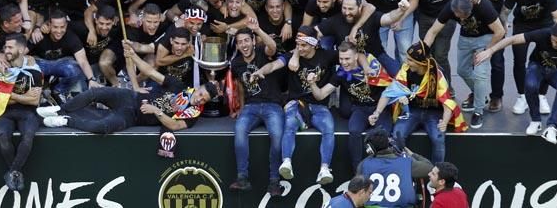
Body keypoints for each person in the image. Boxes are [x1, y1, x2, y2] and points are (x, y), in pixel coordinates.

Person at [39, 40, 215, 133]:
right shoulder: (179, 86)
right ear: (198, 88)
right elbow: (151, 72)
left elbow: (175, 126)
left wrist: (156, 111)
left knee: (102, 128)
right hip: (130, 97)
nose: (199, 98)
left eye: (203, 99)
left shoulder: (193, 115)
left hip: (132, 116)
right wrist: (132, 55)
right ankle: (59, 109)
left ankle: (65, 120)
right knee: (94, 93)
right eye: (201, 93)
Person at [475, 22, 557, 144]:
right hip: (537, 67)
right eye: (553, 40)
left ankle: (551, 127)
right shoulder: (544, 34)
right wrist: (490, 50)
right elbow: (513, 39)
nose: (554, 44)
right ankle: (536, 121)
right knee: (530, 84)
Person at [377, 41, 467, 164]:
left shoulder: (437, 76)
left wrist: (444, 122)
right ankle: (398, 168)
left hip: (434, 114)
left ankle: (437, 172)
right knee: (398, 134)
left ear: (421, 63)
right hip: (412, 112)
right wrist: (377, 113)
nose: (407, 62)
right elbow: (389, 93)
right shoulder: (405, 71)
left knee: (438, 138)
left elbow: (447, 102)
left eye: (410, 60)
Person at [309, 42, 392, 172]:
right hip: (360, 109)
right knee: (354, 131)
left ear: (355, 57)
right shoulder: (341, 73)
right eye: (341, 59)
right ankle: (357, 171)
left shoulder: (372, 67)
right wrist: (312, 84)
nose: (344, 62)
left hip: (380, 108)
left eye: (347, 58)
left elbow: (389, 92)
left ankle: (382, 171)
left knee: (383, 134)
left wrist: (377, 112)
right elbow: (320, 95)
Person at [424, 0, 504, 129]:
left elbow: (500, 31)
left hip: (486, 38)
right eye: (457, 16)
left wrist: (487, 51)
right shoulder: (451, 7)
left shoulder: (483, 6)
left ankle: (478, 111)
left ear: (471, 9)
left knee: (480, 74)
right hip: (466, 38)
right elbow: (433, 31)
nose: (460, 18)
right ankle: (480, 95)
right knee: (462, 70)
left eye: (462, 16)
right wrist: (422, 49)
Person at [451, 0, 505, 112]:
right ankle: (478, 92)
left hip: (493, 17)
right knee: (468, 66)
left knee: (495, 59)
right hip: (472, 14)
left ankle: (496, 97)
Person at [228, 25, 285, 197]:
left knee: (277, 137)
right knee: (239, 131)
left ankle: (274, 181)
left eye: (246, 40)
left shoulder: (262, 51)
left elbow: (273, 47)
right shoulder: (236, 63)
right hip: (251, 107)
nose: (244, 45)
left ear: (253, 41)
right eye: (240, 42)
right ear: (236, 46)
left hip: (272, 105)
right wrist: (240, 107)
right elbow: (240, 87)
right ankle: (242, 178)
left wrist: (258, 30)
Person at [502, 0, 557, 115]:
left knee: (546, 60)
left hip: (545, 26)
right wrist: (504, 25)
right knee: (519, 60)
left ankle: (541, 96)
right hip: (522, 25)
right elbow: (504, 12)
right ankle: (522, 96)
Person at [282, 26, 339, 183]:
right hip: (297, 103)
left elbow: (350, 54)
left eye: (304, 45)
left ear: (314, 44)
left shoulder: (326, 56)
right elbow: (274, 65)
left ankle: (325, 168)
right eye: (298, 45)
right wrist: (294, 55)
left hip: (319, 105)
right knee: (289, 125)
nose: (300, 48)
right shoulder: (293, 56)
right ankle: (286, 161)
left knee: (329, 128)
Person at [0, 34, 43, 191]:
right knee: (4, 139)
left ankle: (12, 172)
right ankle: (16, 173)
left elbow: (34, 100)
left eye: (10, 47)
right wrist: (23, 97)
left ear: (21, 49)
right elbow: (0, 99)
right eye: (5, 47)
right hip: (5, 111)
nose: (6, 50)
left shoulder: (34, 70)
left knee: (27, 138)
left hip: (29, 112)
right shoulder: (0, 70)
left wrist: (10, 95)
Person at [316, 0, 410, 77]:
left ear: (360, 7)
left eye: (351, 9)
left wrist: (401, 10)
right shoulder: (335, 21)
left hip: (376, 56)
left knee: (400, 75)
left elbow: (389, 18)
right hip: (350, 61)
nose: (347, 12)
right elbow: (315, 32)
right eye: (344, 8)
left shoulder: (371, 17)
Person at [28, 9, 101, 101]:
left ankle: (58, 91)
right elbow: (22, 51)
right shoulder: (39, 34)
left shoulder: (71, 37)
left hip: (61, 64)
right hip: (41, 64)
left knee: (76, 69)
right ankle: (38, 92)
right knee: (28, 67)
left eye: (62, 27)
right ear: (49, 25)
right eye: (55, 27)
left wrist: (91, 79)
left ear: (66, 26)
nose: (59, 31)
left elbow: (82, 60)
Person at [416, 0, 457, 97]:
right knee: (427, 55)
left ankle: (447, 89)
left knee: (440, 55)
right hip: (425, 18)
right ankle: (431, 87)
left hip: (446, 19)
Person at [357, 128, 433, 208]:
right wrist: (411, 153)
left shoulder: (363, 165)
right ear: (389, 143)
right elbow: (429, 168)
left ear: (370, 149)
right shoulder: (406, 163)